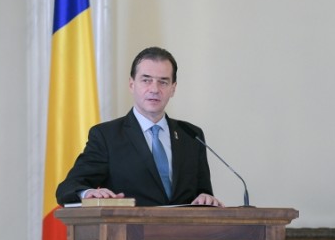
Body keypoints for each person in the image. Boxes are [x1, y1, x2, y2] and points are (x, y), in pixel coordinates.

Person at [56, 46, 224, 207]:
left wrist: (206, 197)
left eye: (163, 82)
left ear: (173, 88)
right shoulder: (107, 136)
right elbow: (67, 188)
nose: (154, 89)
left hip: (182, 227)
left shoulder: (191, 135)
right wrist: (88, 193)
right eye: (146, 80)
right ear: (132, 84)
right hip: (129, 227)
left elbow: (203, 193)